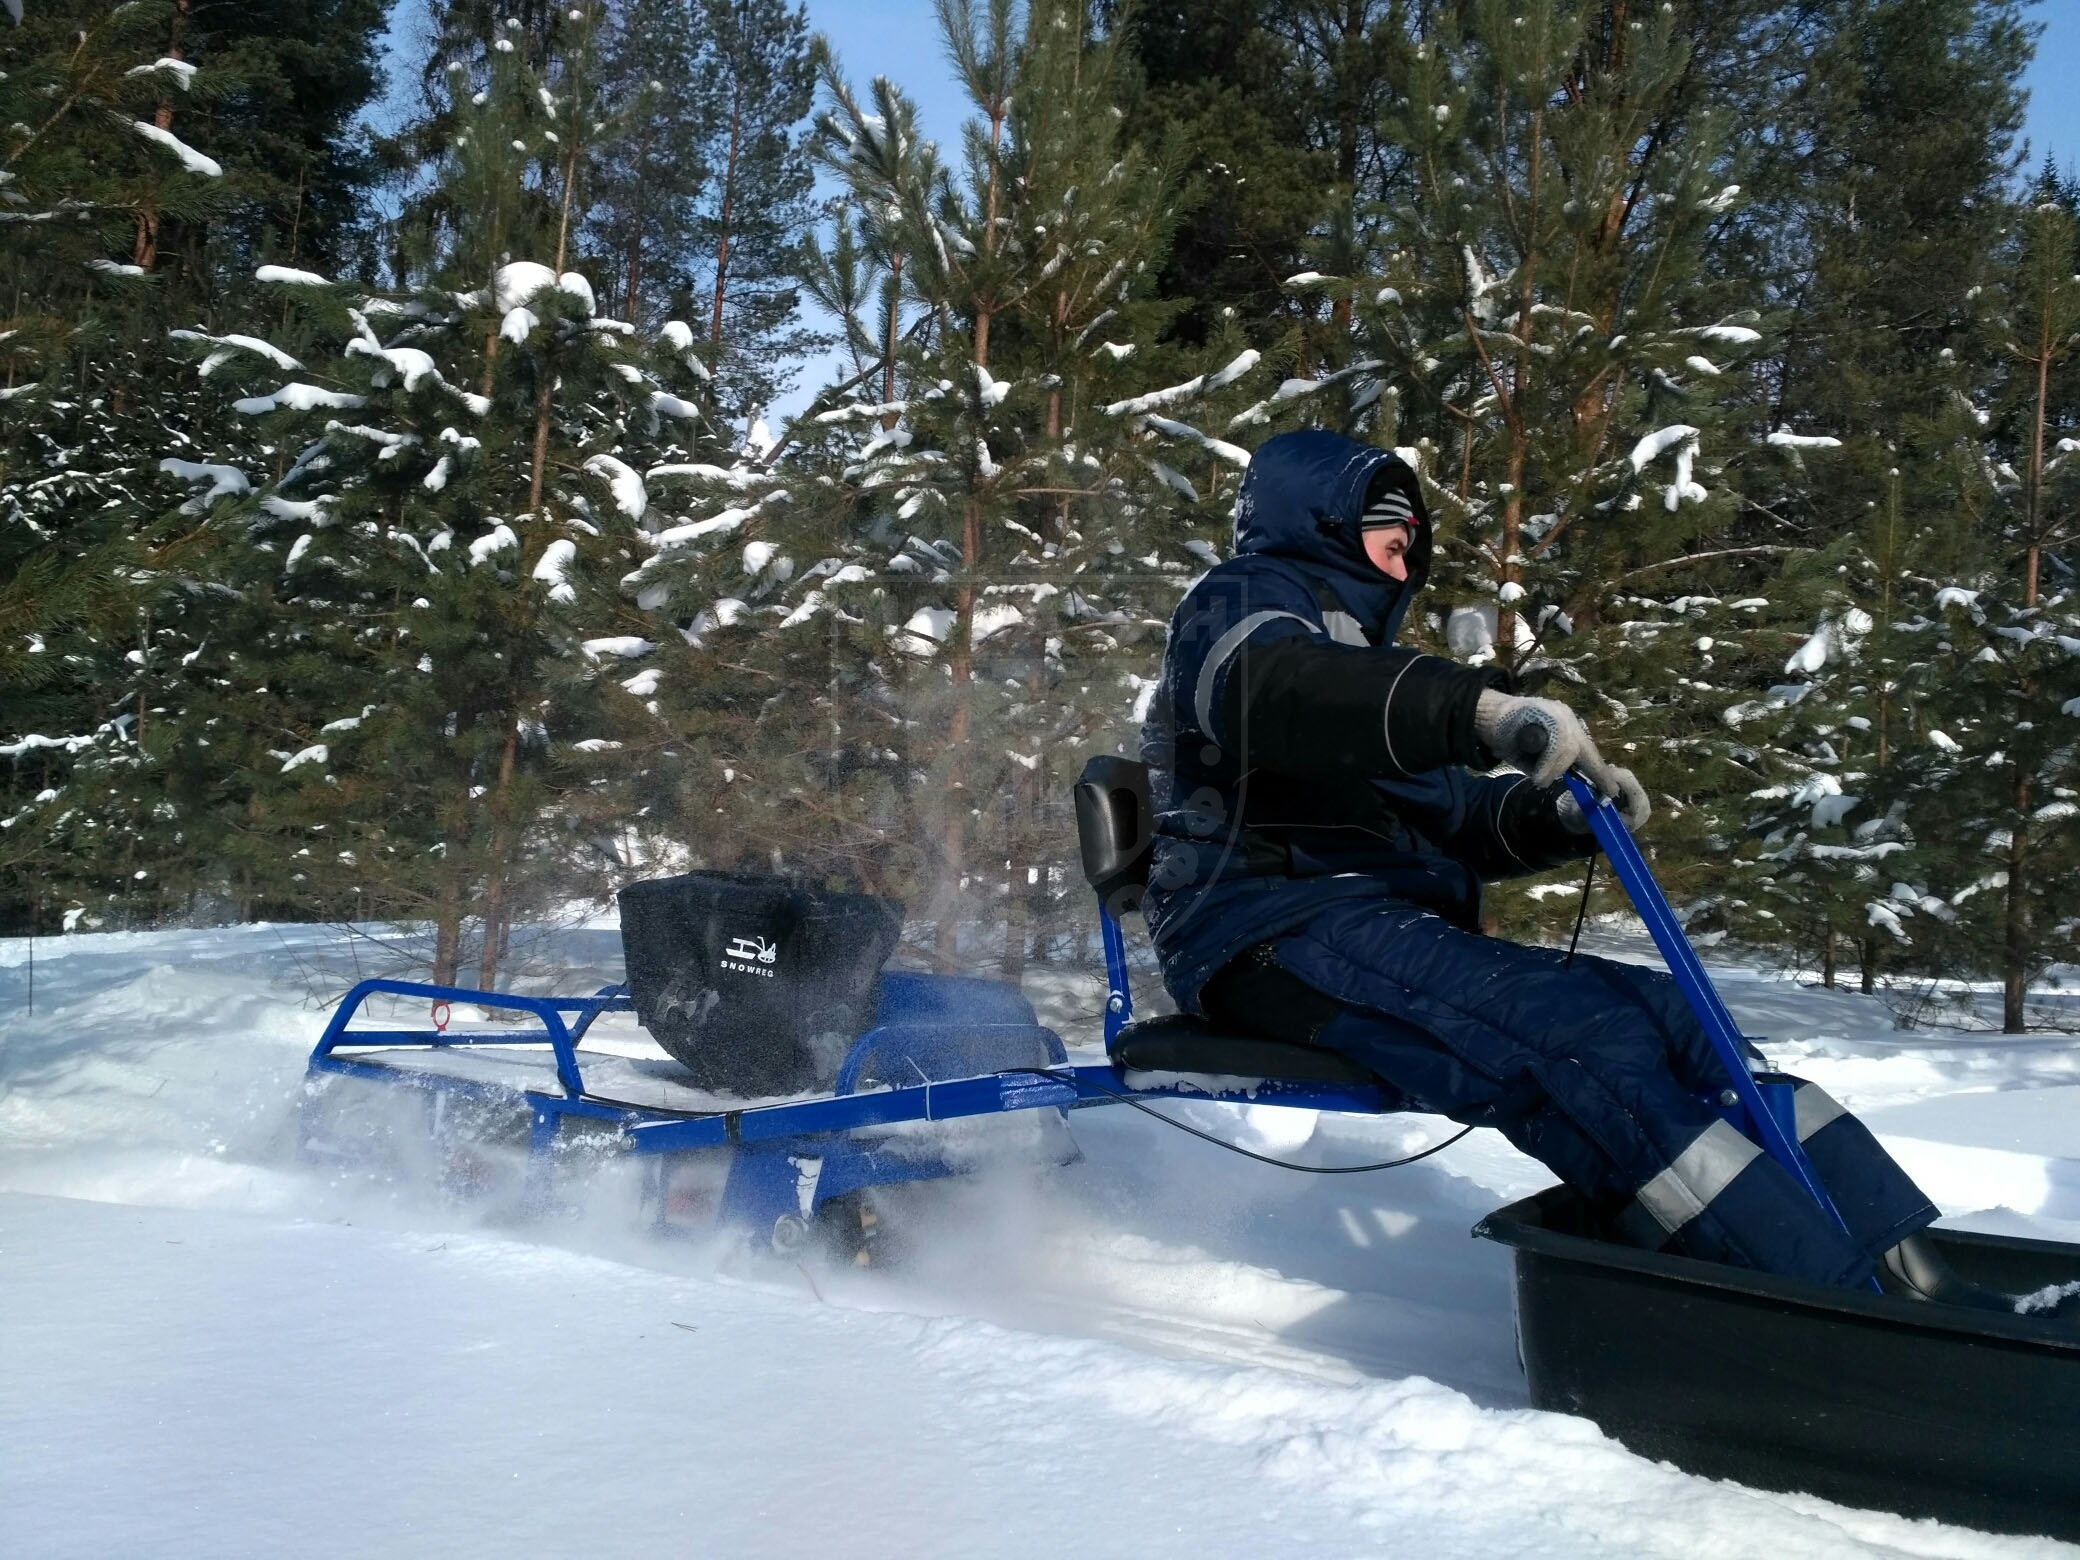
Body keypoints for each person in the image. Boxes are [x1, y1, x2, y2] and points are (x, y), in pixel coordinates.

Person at [1142, 428, 2027, 1307]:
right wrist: (1473, 711)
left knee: (1685, 1023)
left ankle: (1901, 1267)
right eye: (1391, 539)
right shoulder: (1241, 606)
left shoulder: (1362, 671)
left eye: (1411, 545)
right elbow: (1276, 689)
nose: (1403, 565)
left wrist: (1556, 817)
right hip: (1268, 928)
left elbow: (1455, 816)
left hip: (1363, 926)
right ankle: (1811, 1308)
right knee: (1583, 1042)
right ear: (1328, 527)